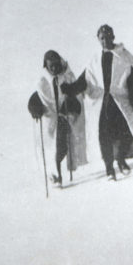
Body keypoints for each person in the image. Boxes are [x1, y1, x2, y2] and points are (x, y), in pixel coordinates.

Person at [61, 25, 133, 181]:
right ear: (98, 39)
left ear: (113, 37)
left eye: (107, 36)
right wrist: (70, 90)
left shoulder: (124, 56)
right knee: (104, 137)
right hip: (102, 104)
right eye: (102, 38)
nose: (105, 40)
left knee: (127, 133)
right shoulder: (94, 59)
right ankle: (109, 168)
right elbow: (84, 80)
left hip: (120, 102)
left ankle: (120, 158)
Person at [28, 50, 87, 186]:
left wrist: (71, 104)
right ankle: (56, 175)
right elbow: (36, 98)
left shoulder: (67, 77)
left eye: (56, 65)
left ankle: (57, 170)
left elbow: (75, 95)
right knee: (52, 149)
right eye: (51, 66)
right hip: (50, 121)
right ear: (46, 67)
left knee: (62, 147)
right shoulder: (42, 82)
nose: (54, 68)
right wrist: (34, 108)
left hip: (64, 118)